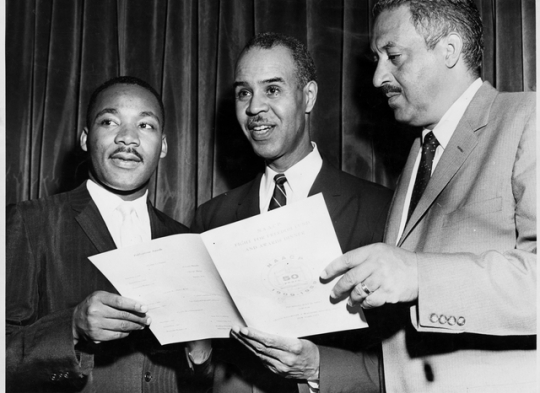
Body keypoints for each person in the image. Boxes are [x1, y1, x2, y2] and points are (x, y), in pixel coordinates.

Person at [322, 0, 536, 393]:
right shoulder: (420, 153)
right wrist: (315, 366)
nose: (377, 76)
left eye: (394, 56)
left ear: (450, 50)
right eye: (376, 58)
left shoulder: (529, 118)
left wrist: (418, 275)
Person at [191, 32, 393, 393]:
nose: (254, 108)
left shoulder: (380, 209)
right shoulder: (210, 219)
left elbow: (399, 366)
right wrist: (199, 359)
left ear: (308, 97)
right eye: (243, 93)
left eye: (272, 90)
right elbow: (205, 368)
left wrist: (317, 368)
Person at [6, 76, 211, 392]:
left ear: (164, 146)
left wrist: (200, 361)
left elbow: (200, 373)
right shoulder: (30, 221)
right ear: (86, 138)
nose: (128, 139)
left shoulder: (184, 240)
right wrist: (72, 328)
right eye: (110, 122)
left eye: (145, 126)